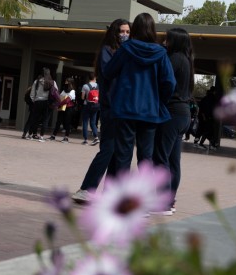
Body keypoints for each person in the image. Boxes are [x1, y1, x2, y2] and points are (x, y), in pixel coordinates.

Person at [104, 12, 175, 173]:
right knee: (146, 157)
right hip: (150, 110)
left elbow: (108, 72)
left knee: (123, 156)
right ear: (152, 30)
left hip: (125, 108)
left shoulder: (126, 49)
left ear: (134, 28)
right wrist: (160, 100)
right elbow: (170, 82)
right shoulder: (161, 53)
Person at [71, 19, 129, 203]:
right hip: (111, 107)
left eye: (128, 31)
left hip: (121, 109)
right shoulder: (108, 51)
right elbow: (110, 73)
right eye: (122, 31)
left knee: (114, 152)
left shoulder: (122, 51)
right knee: (108, 149)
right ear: (114, 32)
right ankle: (87, 188)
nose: (125, 35)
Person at [152, 28, 194, 216]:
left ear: (174, 41)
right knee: (173, 160)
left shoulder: (174, 58)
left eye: (167, 39)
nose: (164, 41)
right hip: (183, 114)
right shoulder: (186, 60)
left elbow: (162, 79)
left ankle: (163, 203)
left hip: (171, 112)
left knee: (160, 157)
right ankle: (170, 201)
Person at [22, 68, 56, 140]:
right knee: (45, 120)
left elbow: (32, 93)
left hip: (37, 102)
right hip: (47, 102)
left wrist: (34, 100)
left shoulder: (36, 81)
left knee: (35, 118)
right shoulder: (53, 82)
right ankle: (41, 136)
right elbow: (55, 93)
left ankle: (30, 135)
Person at [80, 73, 100, 144]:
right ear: (94, 78)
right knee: (93, 122)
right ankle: (96, 137)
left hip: (87, 105)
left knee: (85, 122)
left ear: (89, 78)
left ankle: (85, 140)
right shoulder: (98, 86)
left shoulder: (85, 86)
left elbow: (82, 97)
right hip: (95, 105)